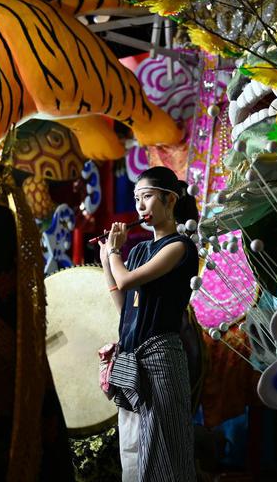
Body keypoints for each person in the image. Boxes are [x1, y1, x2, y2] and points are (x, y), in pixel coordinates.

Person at [100, 166, 200, 481]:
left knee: (162, 451)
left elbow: (127, 280)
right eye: (136, 199)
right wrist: (107, 261)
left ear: (170, 200)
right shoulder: (142, 249)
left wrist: (115, 252)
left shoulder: (179, 247)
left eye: (147, 197)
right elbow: (124, 306)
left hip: (161, 357)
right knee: (133, 451)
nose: (140, 207)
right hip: (133, 358)